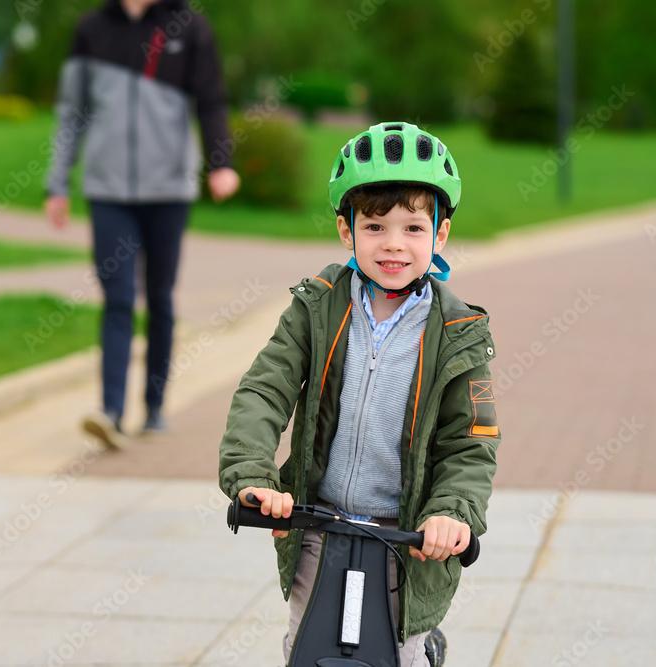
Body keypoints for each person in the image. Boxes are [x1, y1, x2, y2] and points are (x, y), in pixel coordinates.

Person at [218, 122, 501, 666]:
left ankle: (426, 651)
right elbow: (264, 390)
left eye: (414, 228)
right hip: (318, 525)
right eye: (375, 226)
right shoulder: (318, 305)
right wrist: (252, 474)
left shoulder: (459, 331)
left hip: (409, 541)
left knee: (399, 654)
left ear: (440, 234)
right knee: (307, 650)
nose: (394, 244)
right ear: (347, 231)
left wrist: (452, 512)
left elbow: (471, 442)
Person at [45, 0, 240, 447]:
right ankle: (111, 410)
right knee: (116, 296)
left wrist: (220, 163)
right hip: (108, 190)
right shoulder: (91, 28)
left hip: (169, 189)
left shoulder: (190, 27)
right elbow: (71, 111)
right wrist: (57, 183)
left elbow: (210, 100)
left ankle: (153, 406)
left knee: (159, 296)